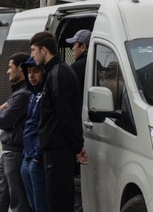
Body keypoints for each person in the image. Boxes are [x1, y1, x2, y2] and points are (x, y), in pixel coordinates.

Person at [29, 31, 88, 212]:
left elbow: (66, 114)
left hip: (58, 149)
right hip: (57, 148)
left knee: (59, 202)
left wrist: (77, 146)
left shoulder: (58, 73)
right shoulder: (56, 71)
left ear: (44, 50)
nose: (32, 55)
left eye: (33, 50)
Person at [0, 52, 32, 212]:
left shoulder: (22, 95)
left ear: (20, 69)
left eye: (10, 67)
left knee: (18, 200)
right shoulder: (18, 93)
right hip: (9, 152)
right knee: (0, 197)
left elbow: (3, 120)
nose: (7, 71)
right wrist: (0, 112)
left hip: (16, 154)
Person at [66, 29, 92, 212]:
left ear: (83, 47)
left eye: (74, 45)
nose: (72, 49)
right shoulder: (95, 65)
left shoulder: (76, 68)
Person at [20, 57, 48, 212]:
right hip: (28, 154)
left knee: (41, 205)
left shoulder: (45, 95)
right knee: (33, 205)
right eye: (29, 72)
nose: (31, 76)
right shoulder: (32, 95)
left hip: (37, 155)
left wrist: (37, 155)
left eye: (35, 71)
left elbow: (45, 126)